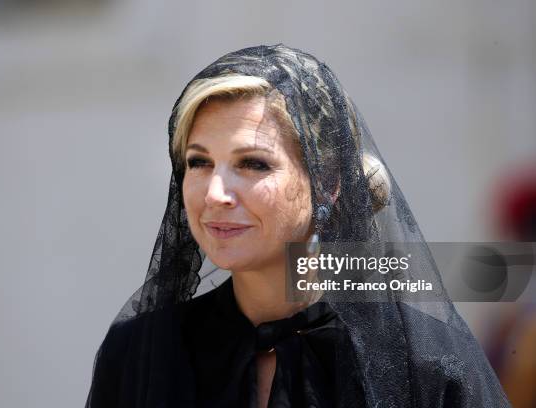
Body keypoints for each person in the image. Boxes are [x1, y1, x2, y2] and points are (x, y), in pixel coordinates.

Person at [85, 44, 510, 407]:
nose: (215, 193)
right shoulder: (140, 355)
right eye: (199, 162)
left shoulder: (423, 366)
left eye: (253, 163)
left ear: (327, 184)